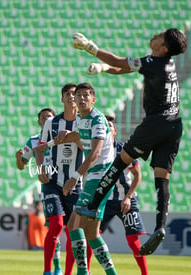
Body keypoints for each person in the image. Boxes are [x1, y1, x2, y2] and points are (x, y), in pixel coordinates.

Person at [72, 28, 187, 255]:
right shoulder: (168, 63)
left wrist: (90, 47)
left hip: (155, 123)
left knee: (120, 162)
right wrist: (105, 68)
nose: (155, 35)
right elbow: (122, 68)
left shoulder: (154, 61)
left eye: (160, 36)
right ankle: (160, 227)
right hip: (175, 126)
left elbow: (118, 61)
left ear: (163, 48)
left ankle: (92, 205)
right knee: (162, 178)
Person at [60, 83, 118, 275]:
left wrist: (74, 177)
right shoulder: (80, 118)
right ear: (74, 100)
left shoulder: (98, 120)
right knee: (92, 233)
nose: (82, 98)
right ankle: (111, 273)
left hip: (101, 176)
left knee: (74, 225)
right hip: (95, 177)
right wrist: (69, 135)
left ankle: (83, 272)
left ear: (94, 99)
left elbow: (95, 153)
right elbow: (80, 137)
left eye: (86, 95)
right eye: (79, 95)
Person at [34, 83, 89, 275]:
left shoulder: (84, 122)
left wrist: (74, 137)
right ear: (62, 99)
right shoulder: (51, 123)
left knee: (73, 231)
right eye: (68, 94)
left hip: (75, 183)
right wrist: (40, 169)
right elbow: (39, 149)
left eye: (75, 94)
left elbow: (89, 151)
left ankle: (67, 273)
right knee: (56, 225)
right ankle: (47, 271)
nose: (72, 97)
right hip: (53, 182)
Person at [15, 108, 63, 274]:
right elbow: (22, 165)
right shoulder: (34, 141)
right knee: (54, 228)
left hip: (68, 184)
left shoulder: (62, 138)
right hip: (49, 186)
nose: (47, 120)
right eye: (43, 118)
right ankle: (55, 268)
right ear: (39, 122)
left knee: (70, 229)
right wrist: (18, 159)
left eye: (50, 117)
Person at [101, 115, 148, 275]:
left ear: (114, 131)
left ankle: (144, 274)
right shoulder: (96, 151)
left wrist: (128, 197)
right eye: (103, 126)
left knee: (133, 240)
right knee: (91, 236)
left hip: (125, 201)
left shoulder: (124, 151)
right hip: (104, 201)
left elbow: (137, 175)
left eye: (109, 126)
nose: (106, 129)